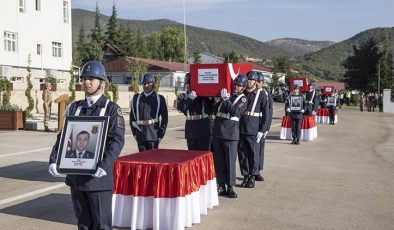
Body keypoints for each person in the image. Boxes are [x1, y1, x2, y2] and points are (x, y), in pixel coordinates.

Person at [48, 60, 125, 230]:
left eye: (92, 78)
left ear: (102, 82)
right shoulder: (74, 108)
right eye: (84, 78)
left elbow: (117, 140)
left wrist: (105, 164)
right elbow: (63, 137)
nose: (87, 82)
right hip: (76, 178)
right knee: (83, 224)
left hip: (98, 179)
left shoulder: (111, 109)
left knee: (102, 225)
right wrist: (54, 159)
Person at [212, 74, 248, 198]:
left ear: (243, 87)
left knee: (230, 161)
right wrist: (217, 100)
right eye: (235, 84)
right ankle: (221, 185)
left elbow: (235, 112)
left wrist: (226, 100)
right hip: (218, 131)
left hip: (231, 133)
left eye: (239, 85)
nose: (236, 87)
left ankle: (230, 186)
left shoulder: (243, 99)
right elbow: (214, 110)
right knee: (219, 161)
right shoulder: (226, 95)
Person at [238, 71, 269, 188]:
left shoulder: (262, 95)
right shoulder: (243, 93)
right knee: (242, 154)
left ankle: (252, 176)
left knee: (253, 154)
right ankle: (245, 175)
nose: (249, 81)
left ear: (256, 82)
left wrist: (262, 130)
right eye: (248, 79)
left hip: (253, 128)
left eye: (251, 80)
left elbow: (266, 114)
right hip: (241, 127)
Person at [130, 73, 168, 152]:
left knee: (153, 160)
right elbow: (132, 117)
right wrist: (134, 133)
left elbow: (165, 118)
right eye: (144, 83)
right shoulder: (136, 98)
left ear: (153, 85)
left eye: (148, 83)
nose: (146, 85)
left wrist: (161, 134)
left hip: (153, 134)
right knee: (142, 160)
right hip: (140, 133)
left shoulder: (159, 99)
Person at [176, 73, 215, 151]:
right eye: (187, 84)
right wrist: (190, 99)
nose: (188, 86)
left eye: (190, 84)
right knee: (192, 155)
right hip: (191, 128)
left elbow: (211, 109)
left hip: (203, 126)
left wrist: (211, 98)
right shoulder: (182, 96)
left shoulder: (202, 95)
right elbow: (182, 108)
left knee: (204, 154)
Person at [256, 73, 273, 182]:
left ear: (262, 83)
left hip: (261, 123)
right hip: (252, 124)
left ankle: (257, 171)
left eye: (259, 82)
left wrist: (266, 128)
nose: (257, 84)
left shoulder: (265, 94)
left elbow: (269, 113)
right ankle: (250, 171)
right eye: (256, 81)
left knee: (259, 150)